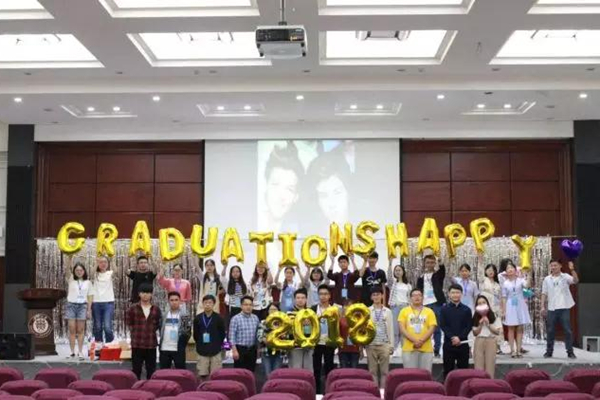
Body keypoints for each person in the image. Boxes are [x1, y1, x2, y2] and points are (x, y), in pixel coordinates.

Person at [542, 260, 579, 359]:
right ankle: (549, 351)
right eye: (552, 266)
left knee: (567, 330)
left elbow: (575, 281)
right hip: (552, 308)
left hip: (564, 307)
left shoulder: (565, 276)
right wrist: (542, 307)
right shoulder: (547, 279)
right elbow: (544, 293)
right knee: (550, 331)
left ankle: (570, 352)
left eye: (555, 265)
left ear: (560, 266)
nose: (553, 267)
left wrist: (572, 270)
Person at [127, 283, 162, 380]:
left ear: (151, 294)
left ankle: (150, 388)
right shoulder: (132, 308)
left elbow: (158, 324)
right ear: (139, 294)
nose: (145, 295)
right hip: (137, 344)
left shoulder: (156, 309)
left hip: (151, 345)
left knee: (151, 371)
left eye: (148, 292)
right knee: (136, 371)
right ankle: (136, 388)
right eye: (143, 292)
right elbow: (129, 323)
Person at [398, 288, 437, 371]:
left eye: (419, 295)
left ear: (422, 297)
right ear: (410, 298)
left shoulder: (429, 311)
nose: (417, 297)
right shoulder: (404, 311)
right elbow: (402, 328)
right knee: (410, 375)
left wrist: (421, 341)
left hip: (426, 349)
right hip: (409, 348)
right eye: (414, 295)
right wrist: (414, 341)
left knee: (425, 375)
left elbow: (432, 327)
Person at [439, 284, 472, 379]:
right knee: (448, 371)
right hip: (449, 344)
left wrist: (459, 338)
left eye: (457, 292)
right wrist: (453, 337)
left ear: (461, 294)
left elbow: (468, 326)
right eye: (453, 293)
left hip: (463, 344)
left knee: (464, 372)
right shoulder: (444, 309)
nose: (455, 295)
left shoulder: (467, 310)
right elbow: (443, 325)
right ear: (449, 294)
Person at [416, 254, 446, 357]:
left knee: (436, 327)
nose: (430, 264)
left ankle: (436, 350)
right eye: (428, 262)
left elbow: (442, 271)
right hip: (424, 304)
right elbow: (418, 291)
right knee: (424, 327)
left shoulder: (437, 275)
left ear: (435, 263)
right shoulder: (421, 277)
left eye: (432, 262)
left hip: (436, 303)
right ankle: (425, 348)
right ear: (424, 263)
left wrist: (441, 262)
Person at [501, 263, 532, 358]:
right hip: (510, 305)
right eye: (508, 268)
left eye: (512, 268)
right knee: (510, 328)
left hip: (520, 305)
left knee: (519, 328)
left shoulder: (520, 280)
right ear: (506, 271)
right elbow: (504, 297)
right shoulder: (505, 283)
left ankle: (518, 350)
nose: (510, 269)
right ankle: (512, 350)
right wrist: (504, 310)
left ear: (515, 270)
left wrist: (529, 275)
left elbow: (527, 286)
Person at [194, 294, 226, 381]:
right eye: (205, 303)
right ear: (202, 304)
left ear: (214, 304)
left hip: (216, 350)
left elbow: (222, 334)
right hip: (202, 350)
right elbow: (196, 335)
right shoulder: (197, 318)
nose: (207, 304)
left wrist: (217, 344)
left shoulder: (219, 318)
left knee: (216, 376)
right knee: (202, 375)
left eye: (210, 302)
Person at [64, 260, 92, 360]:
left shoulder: (88, 282)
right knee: (72, 329)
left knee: (80, 330)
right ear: (74, 271)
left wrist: (89, 310)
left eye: (81, 270)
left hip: (82, 306)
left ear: (84, 271)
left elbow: (90, 296)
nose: (79, 272)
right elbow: (67, 270)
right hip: (71, 305)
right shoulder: (71, 279)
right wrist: (69, 258)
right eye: (77, 270)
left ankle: (80, 351)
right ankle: (72, 351)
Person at [367, 287, 394, 388]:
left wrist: (391, 345)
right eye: (374, 295)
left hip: (384, 344)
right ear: (371, 297)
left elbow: (390, 328)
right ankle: (374, 393)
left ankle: (383, 392)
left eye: (378, 294)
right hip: (371, 344)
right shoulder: (367, 311)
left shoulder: (388, 311)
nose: (376, 297)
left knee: (385, 372)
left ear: (382, 296)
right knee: (372, 372)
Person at [311, 284, 335, 394]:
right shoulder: (312, 309)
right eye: (321, 294)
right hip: (316, 343)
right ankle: (317, 393)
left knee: (329, 368)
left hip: (329, 343)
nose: (323, 296)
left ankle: (329, 392)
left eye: (325, 294)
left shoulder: (334, 310)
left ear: (329, 296)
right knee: (316, 368)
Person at [159, 291, 191, 369]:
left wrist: (181, 345)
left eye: (176, 300)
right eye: (172, 300)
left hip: (178, 349)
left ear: (180, 301)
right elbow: (160, 328)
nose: (174, 302)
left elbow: (187, 333)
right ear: (168, 301)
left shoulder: (184, 315)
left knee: (181, 372)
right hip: (165, 348)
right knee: (164, 372)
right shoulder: (164, 314)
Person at [472, 295, 502, 378]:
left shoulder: (494, 315)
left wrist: (488, 324)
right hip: (479, 340)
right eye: (479, 303)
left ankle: (490, 383)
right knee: (478, 367)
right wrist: (480, 325)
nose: (482, 304)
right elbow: (475, 333)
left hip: (491, 340)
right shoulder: (475, 317)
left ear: (487, 304)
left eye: (484, 302)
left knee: (490, 366)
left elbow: (497, 332)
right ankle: (479, 384)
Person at [229, 296, 260, 371]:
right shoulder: (235, 319)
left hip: (252, 350)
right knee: (239, 373)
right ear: (241, 306)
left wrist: (258, 349)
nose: (248, 307)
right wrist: (234, 350)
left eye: (250, 305)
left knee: (251, 372)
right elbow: (231, 336)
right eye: (246, 304)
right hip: (240, 349)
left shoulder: (255, 318)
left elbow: (258, 335)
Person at [91, 256, 115, 353]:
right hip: (96, 302)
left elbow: (116, 271)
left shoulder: (110, 273)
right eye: (101, 262)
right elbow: (90, 272)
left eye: (105, 262)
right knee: (97, 327)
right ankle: (99, 348)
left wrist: (112, 260)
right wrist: (96, 262)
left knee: (108, 327)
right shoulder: (95, 274)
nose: (103, 264)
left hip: (108, 303)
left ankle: (110, 347)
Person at [479, 262, 503, 354]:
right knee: (486, 327)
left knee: (498, 327)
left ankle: (497, 347)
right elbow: (480, 272)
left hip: (495, 308)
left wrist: (501, 310)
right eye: (489, 270)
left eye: (493, 270)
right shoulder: (483, 280)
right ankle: (486, 347)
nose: (491, 271)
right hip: (485, 308)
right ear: (485, 271)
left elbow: (499, 298)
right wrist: (480, 260)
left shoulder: (497, 284)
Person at [287, 288, 313, 370]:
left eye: (302, 298)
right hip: (295, 346)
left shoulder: (310, 313)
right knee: (296, 371)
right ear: (294, 299)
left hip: (308, 345)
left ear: (306, 299)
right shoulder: (289, 313)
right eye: (298, 298)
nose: (300, 300)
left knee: (308, 370)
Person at [387, 261, 411, 350]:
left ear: (403, 271)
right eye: (396, 270)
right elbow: (389, 276)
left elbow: (410, 297)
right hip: (395, 307)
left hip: (405, 307)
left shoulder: (408, 285)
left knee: (404, 328)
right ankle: (394, 348)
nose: (398, 272)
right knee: (395, 328)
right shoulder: (393, 283)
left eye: (399, 270)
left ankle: (404, 348)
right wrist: (390, 263)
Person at [257, 302, 284, 377]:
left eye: (275, 309)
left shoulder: (282, 323)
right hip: (266, 351)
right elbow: (259, 336)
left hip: (279, 352)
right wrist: (266, 340)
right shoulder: (263, 322)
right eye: (271, 309)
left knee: (277, 374)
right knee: (268, 374)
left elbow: (285, 336)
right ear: (268, 311)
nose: (272, 311)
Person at [339, 298, 361, 368]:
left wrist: (361, 349)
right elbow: (338, 335)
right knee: (344, 370)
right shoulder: (340, 320)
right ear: (343, 308)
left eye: (350, 306)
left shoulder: (358, 320)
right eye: (346, 306)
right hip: (343, 350)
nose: (348, 308)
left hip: (355, 350)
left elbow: (360, 335)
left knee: (354, 371)